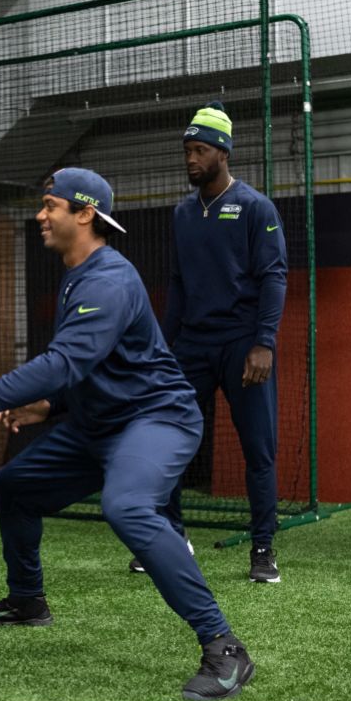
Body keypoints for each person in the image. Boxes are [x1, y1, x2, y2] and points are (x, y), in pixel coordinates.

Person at [0, 168, 254, 701]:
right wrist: (49, 405)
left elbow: (63, 361)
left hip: (157, 419)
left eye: (50, 205)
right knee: (14, 485)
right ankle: (27, 602)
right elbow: (95, 364)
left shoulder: (107, 280)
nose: (40, 215)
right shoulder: (76, 273)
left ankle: (224, 646)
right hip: (99, 424)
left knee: (128, 507)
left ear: (85, 213)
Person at [133, 101, 286, 583]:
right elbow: (177, 285)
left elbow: (275, 277)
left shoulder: (255, 207)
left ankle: (262, 549)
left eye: (200, 150)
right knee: (167, 440)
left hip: (243, 345)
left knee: (258, 450)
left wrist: (264, 343)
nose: (191, 159)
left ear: (223, 152)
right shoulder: (182, 213)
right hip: (192, 346)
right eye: (187, 151)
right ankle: (172, 537)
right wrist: (164, 347)